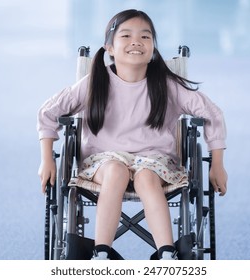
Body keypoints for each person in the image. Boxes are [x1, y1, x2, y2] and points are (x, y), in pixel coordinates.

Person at [37, 9, 227, 260]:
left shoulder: (167, 85)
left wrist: (218, 163)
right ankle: (101, 253)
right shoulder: (95, 82)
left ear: (152, 49)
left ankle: (167, 254)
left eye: (145, 37)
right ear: (110, 48)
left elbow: (211, 113)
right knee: (116, 170)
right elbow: (49, 112)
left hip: (156, 162)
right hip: (103, 162)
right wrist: (47, 157)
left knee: (146, 176)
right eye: (126, 35)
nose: (136, 41)